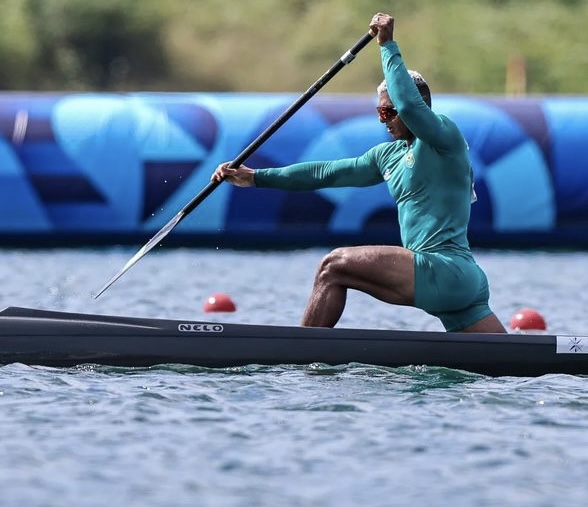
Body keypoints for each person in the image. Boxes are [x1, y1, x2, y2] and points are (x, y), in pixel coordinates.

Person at [211, 12, 507, 333]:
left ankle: (300, 351)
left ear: (422, 107)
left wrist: (387, 45)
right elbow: (326, 173)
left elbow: (408, 106)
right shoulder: (388, 155)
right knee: (512, 362)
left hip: (445, 269)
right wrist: (256, 177)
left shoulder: (444, 138)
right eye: (380, 112)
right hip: (459, 287)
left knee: (332, 266)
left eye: (388, 111)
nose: (385, 120)